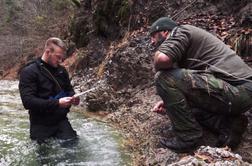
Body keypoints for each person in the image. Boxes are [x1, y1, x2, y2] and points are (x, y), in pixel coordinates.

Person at [150, 17, 252, 153]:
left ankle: (188, 138)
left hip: (236, 90)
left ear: (165, 33)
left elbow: (163, 59)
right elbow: (194, 85)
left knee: (163, 77)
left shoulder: (181, 30)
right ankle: (228, 125)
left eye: (153, 36)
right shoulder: (191, 48)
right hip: (242, 94)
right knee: (181, 101)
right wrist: (168, 100)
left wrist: (160, 70)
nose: (152, 42)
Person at [19, 37, 80, 143]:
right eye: (58, 57)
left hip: (61, 120)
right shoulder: (29, 72)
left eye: (62, 57)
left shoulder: (62, 71)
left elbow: (69, 90)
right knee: (45, 157)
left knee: (73, 149)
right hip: (40, 124)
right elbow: (28, 102)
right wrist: (57, 103)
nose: (60, 60)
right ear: (48, 52)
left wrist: (74, 97)